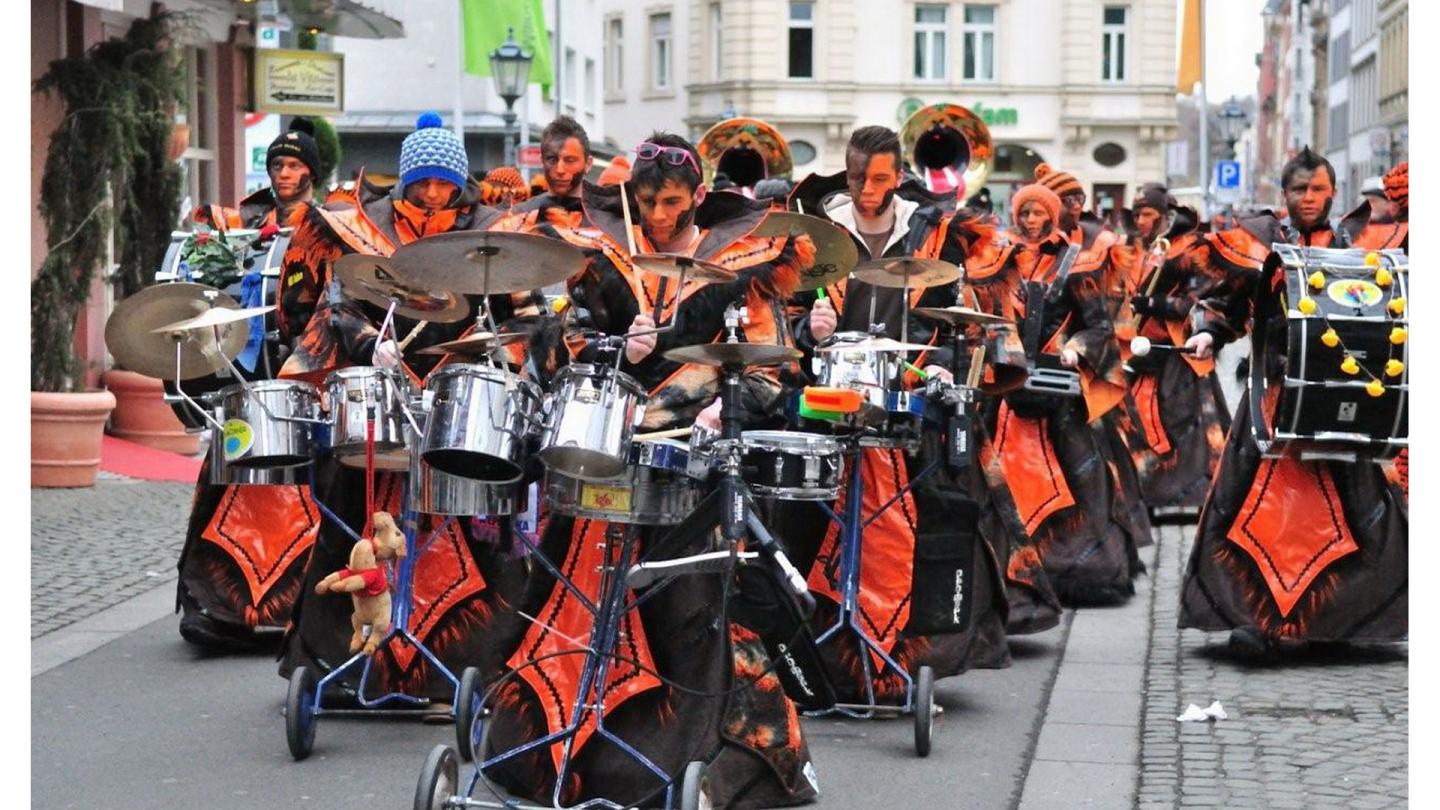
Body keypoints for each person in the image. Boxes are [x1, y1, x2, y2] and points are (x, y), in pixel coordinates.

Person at [484, 132, 821, 809]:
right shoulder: (602, 255)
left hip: (693, 464)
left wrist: (708, 403)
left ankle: (681, 765)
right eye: (647, 202)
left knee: (685, 610)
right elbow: (558, 353)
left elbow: (769, 364)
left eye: (672, 201)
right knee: (572, 601)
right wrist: (614, 347)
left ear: (697, 196)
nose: (659, 215)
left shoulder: (743, 256)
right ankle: (558, 752)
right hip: (605, 450)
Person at [275, 113, 533, 705]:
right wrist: (372, 345)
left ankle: (464, 671)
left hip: (456, 394)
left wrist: (496, 348)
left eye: (446, 184)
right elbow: (333, 305)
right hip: (380, 390)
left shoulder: (491, 230)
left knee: (470, 531)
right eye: (424, 184)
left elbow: (528, 313)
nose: (435, 194)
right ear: (407, 181)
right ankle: (343, 670)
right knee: (349, 524)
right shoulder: (367, 226)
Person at [779, 125, 1011, 702]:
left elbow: (956, 315)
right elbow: (778, 316)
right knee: (801, 517)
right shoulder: (816, 228)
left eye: (880, 178)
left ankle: (910, 654)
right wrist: (808, 328)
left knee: (937, 515)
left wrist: (932, 368)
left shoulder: (932, 232)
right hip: (830, 397)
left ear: (898, 175)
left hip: (909, 397)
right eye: (858, 176)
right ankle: (819, 660)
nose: (866, 189)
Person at [1178, 148, 1406, 656]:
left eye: (1318, 189)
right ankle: (1259, 620)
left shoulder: (1359, 244)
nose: (1309, 199)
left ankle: (1343, 625)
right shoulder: (1261, 242)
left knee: (1359, 511)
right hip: (1272, 401)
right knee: (1253, 508)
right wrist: (1208, 335)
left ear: (1332, 193)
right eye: (1300, 190)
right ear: (1284, 194)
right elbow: (1225, 306)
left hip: (1341, 400)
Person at [174, 118, 327, 649]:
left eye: (294, 165)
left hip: (302, 370)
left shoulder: (332, 221)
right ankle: (218, 605)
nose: (284, 174)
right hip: (244, 370)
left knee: (299, 491)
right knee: (227, 481)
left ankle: (295, 609)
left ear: (312, 171)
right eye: (278, 165)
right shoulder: (248, 218)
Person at [969, 181, 1136, 622]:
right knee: (998, 483)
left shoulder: (1077, 264)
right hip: (1007, 395)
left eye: (1038, 213)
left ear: (1054, 215)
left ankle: (1071, 572)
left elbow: (1099, 326)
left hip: (1057, 394)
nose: (1030, 221)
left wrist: (1076, 347)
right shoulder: (998, 262)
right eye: (1024, 213)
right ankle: (1009, 573)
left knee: (1078, 478)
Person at [1033, 164, 1153, 554]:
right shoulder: (1020, 252)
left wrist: (1078, 348)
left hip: (1081, 371)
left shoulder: (1093, 247)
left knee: (1097, 460)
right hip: (1028, 378)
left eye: (1066, 199)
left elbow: (1104, 316)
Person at [1116, 184, 1227, 513]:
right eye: (1136, 215)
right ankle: (1148, 493)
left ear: (1164, 216)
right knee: (1140, 422)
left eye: (1147, 214)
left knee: (1185, 426)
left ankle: (1192, 496)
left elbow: (1200, 301)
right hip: (1139, 350)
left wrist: (1154, 303)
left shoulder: (1189, 248)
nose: (1140, 221)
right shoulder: (1135, 249)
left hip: (1179, 353)